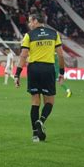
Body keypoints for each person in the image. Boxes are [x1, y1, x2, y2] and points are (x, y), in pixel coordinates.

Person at [14, 13, 65, 143]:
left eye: (30, 21)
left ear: (36, 21)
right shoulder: (54, 34)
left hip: (34, 69)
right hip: (48, 69)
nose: (29, 24)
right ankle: (40, 121)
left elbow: (23, 56)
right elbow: (60, 55)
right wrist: (62, 72)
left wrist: (17, 74)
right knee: (49, 101)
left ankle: (35, 135)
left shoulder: (29, 35)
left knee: (35, 101)